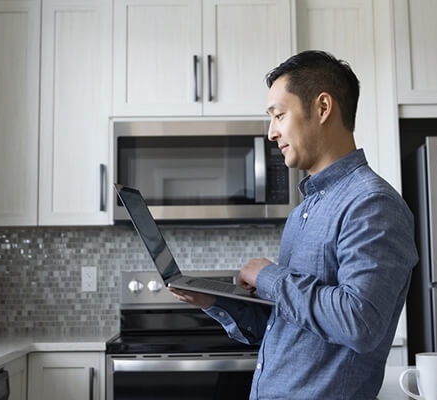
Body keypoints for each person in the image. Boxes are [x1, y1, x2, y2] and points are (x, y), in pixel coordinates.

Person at [169, 50, 418, 399]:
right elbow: (287, 327)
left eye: (279, 115)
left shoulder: (372, 204)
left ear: (322, 108)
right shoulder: (306, 210)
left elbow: (359, 322)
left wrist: (268, 276)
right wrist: (215, 302)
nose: (271, 133)